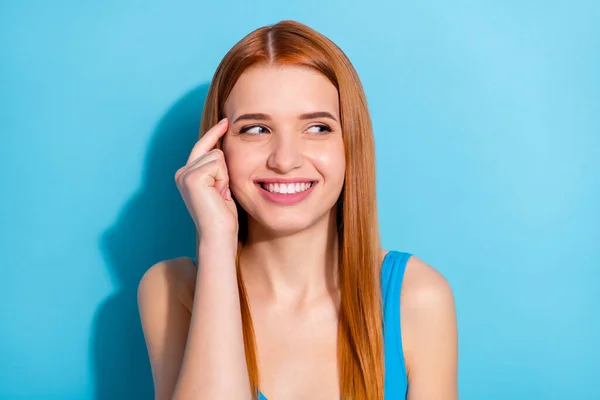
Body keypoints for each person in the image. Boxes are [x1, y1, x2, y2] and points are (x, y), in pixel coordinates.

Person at [137, 20, 458, 400]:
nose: (285, 161)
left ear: (349, 144)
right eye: (256, 129)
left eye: (317, 128)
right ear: (216, 151)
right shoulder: (171, 289)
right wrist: (217, 244)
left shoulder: (416, 296)